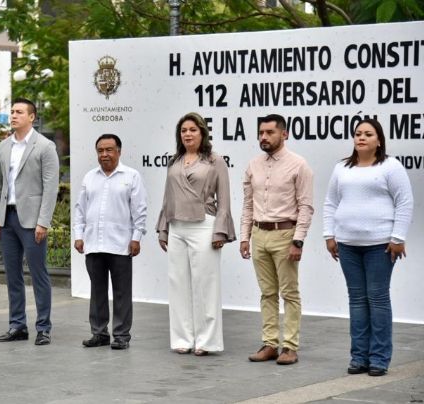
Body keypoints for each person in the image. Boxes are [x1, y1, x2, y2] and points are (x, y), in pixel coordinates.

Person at [322, 119, 413, 377]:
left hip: (380, 247)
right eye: (358, 133)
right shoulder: (342, 167)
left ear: (379, 140)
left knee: (378, 299)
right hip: (347, 245)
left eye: (368, 134)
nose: (361, 137)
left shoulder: (391, 166)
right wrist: (329, 235)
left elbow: (404, 202)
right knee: (357, 301)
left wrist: (398, 237)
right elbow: (330, 202)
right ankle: (359, 357)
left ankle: (379, 359)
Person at [157, 113, 236, 356]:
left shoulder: (215, 161)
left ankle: (207, 341)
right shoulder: (175, 161)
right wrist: (163, 228)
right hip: (177, 226)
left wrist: (220, 230)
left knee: (205, 285)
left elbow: (224, 200)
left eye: (192, 129)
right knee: (178, 283)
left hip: (205, 225)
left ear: (202, 133)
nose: (188, 134)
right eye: (183, 130)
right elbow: (167, 196)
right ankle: (182, 339)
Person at [240, 114, 313, 365]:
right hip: (259, 234)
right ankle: (270, 344)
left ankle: (290, 347)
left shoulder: (299, 164)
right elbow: (248, 205)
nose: (263, 137)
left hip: (286, 234)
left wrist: (298, 240)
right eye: (261, 132)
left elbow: (306, 206)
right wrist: (244, 237)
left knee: (289, 293)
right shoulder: (253, 165)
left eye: (270, 132)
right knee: (267, 293)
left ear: (284, 134)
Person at [0, 97, 59, 345]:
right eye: (12, 111)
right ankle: (17, 325)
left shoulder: (45, 146)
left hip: (32, 220)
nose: (14, 115)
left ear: (32, 117)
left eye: (19, 112)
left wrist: (43, 222)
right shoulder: (4, 146)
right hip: (7, 218)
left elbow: (51, 188)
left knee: (39, 274)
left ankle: (43, 327)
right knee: (12, 275)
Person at [74, 134, 147, 350]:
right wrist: (79, 235)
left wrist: (136, 238)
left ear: (119, 151)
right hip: (93, 244)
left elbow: (140, 211)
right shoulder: (89, 177)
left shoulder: (131, 176)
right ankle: (99, 333)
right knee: (97, 291)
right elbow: (80, 209)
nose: (104, 154)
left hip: (121, 244)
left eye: (109, 150)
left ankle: (122, 335)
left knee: (122, 292)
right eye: (100, 151)